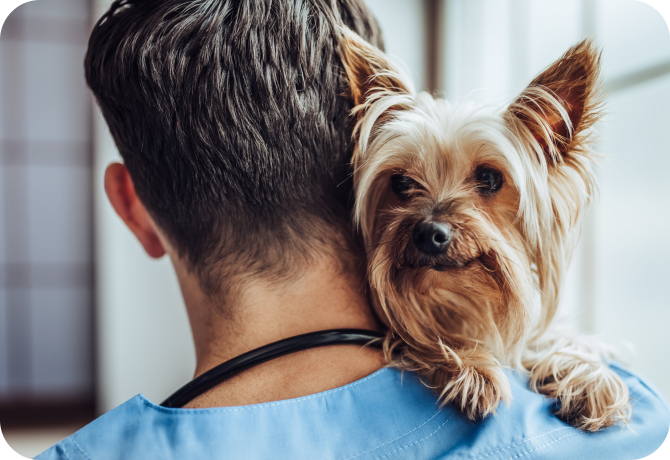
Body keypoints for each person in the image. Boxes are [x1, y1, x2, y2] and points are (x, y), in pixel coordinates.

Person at [37, 0, 668, 458]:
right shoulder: (630, 430)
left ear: (131, 206)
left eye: (487, 182)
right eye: (404, 184)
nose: (436, 222)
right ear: (354, 181)